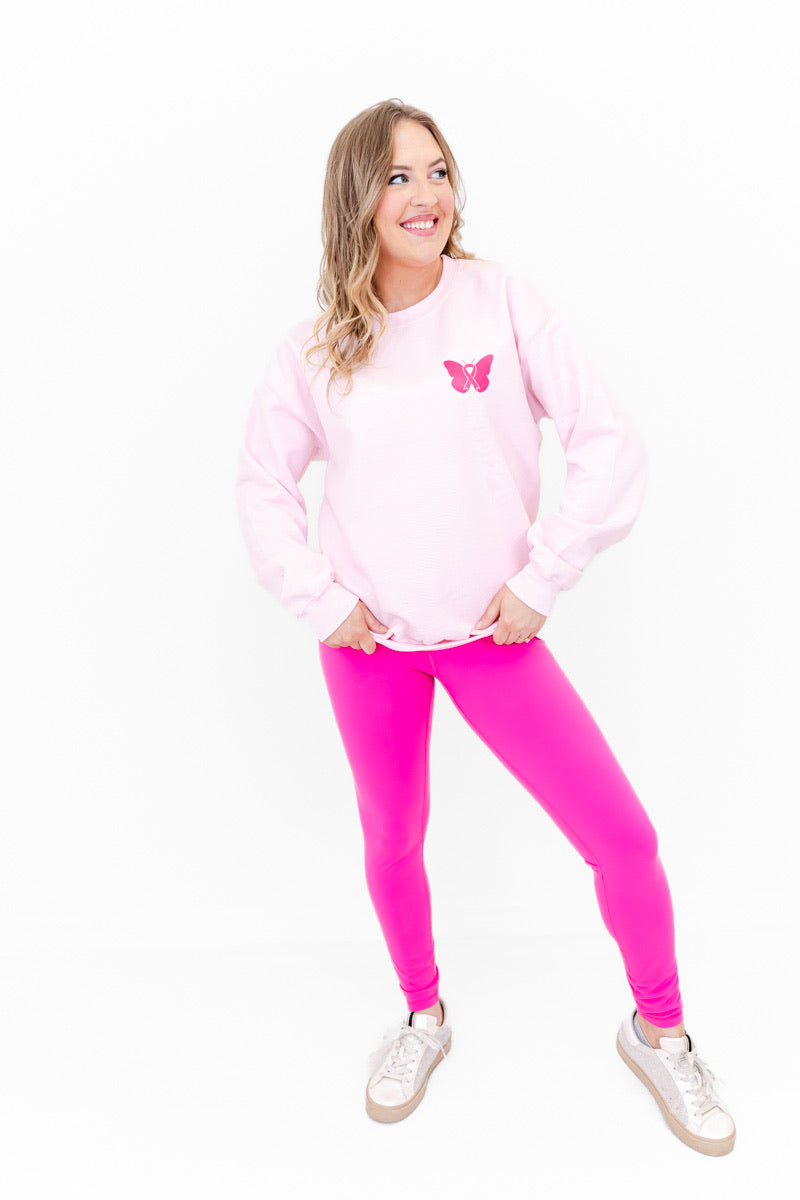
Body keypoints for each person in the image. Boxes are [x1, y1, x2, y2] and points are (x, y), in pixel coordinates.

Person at [235, 98, 735, 1155]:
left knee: (624, 837)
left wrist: (543, 576)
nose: (424, 195)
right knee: (392, 839)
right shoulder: (316, 350)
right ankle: (422, 1015)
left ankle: (660, 1030)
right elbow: (262, 487)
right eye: (397, 177)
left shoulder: (503, 302)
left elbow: (608, 442)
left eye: (437, 171)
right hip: (369, 648)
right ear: (357, 200)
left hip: (492, 639)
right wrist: (324, 600)